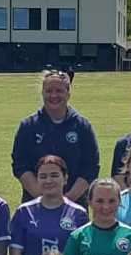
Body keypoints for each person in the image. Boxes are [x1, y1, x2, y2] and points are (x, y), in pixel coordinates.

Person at [9, 155, 88, 255]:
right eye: (43, 176)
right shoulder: (24, 212)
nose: (49, 180)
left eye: (54, 175)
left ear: (65, 178)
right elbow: (15, 254)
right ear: (37, 179)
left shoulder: (78, 214)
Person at [11, 71, 98, 203]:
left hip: (74, 204)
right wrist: (42, 198)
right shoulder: (28, 126)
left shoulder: (82, 126)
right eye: (49, 91)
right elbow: (20, 165)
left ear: (68, 93)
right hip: (35, 204)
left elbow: (90, 167)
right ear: (42, 93)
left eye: (59, 91)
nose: (54, 95)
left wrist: (68, 200)